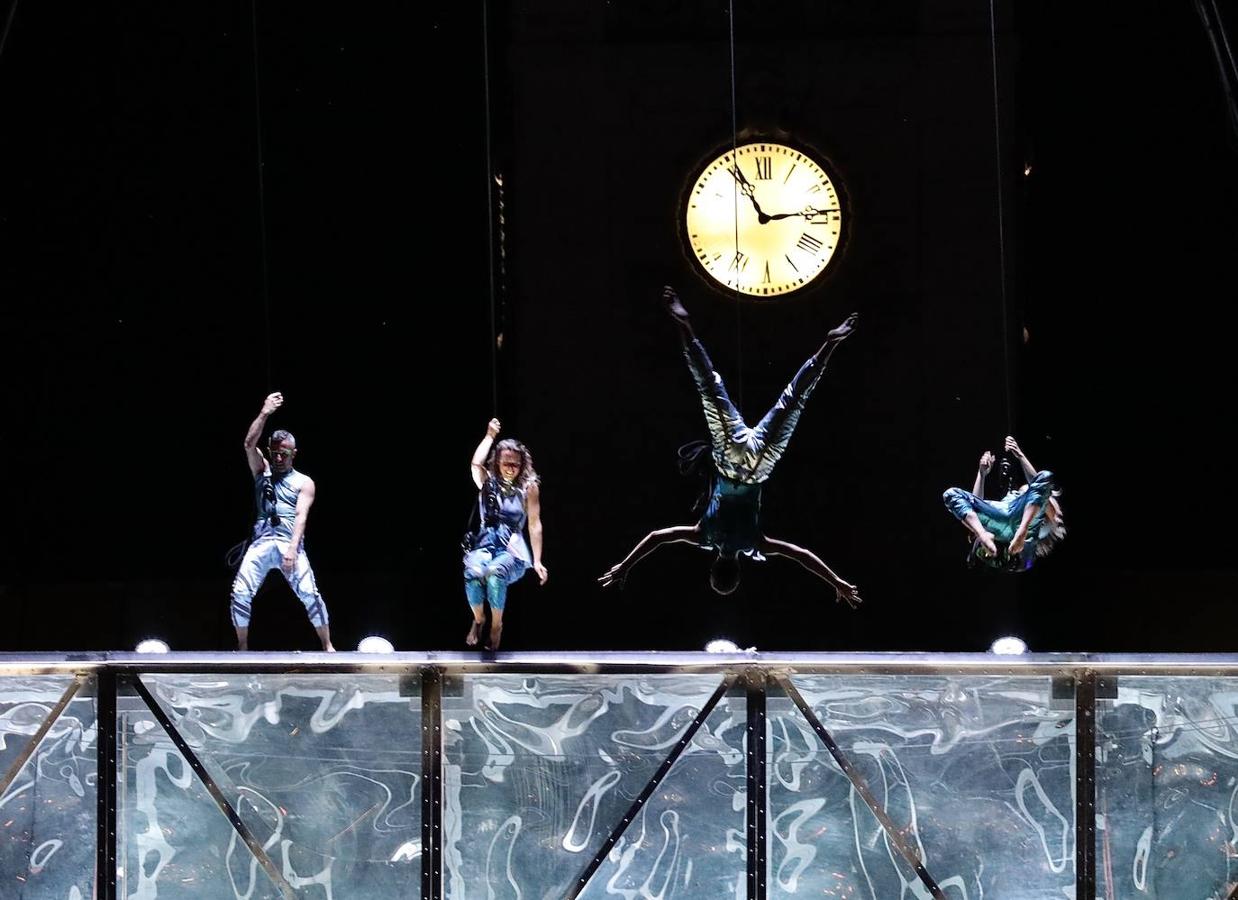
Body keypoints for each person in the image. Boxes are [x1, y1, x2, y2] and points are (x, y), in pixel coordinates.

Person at [599, 287, 861, 607]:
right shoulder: (703, 535)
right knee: (708, 387)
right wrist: (624, 566)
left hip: (760, 464)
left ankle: (830, 344)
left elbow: (801, 555)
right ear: (714, 566)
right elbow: (657, 538)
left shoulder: (755, 543)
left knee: (795, 400)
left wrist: (836, 580)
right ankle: (684, 325)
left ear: (738, 567)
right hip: (728, 456)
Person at [229, 392, 334, 650]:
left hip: (290, 541)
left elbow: (301, 517)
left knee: (310, 593)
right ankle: (242, 647)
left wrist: (292, 549)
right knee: (240, 593)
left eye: (283, 454)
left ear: (293, 453)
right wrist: (265, 412)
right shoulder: (260, 472)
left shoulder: (303, 482)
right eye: (274, 453)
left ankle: (328, 645)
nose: (278, 458)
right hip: (262, 542)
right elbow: (248, 444)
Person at [463, 418, 548, 650]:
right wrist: (490, 436)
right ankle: (479, 619)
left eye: (515, 464)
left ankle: (496, 626)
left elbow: (534, 524)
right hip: (484, 544)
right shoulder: (488, 484)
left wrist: (538, 560)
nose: (510, 468)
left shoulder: (528, 487)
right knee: (473, 573)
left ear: (522, 465)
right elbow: (475, 464)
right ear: (498, 463)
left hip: (512, 549)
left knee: (495, 573)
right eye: (506, 463)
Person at [942, 435, 1066, 570]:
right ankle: (983, 535)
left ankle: (1020, 532)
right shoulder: (1009, 502)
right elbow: (975, 506)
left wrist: (1019, 455)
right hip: (1005, 525)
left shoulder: (1047, 511)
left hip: (1025, 535)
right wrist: (982, 473)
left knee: (1044, 478)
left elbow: (1040, 486)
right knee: (951, 494)